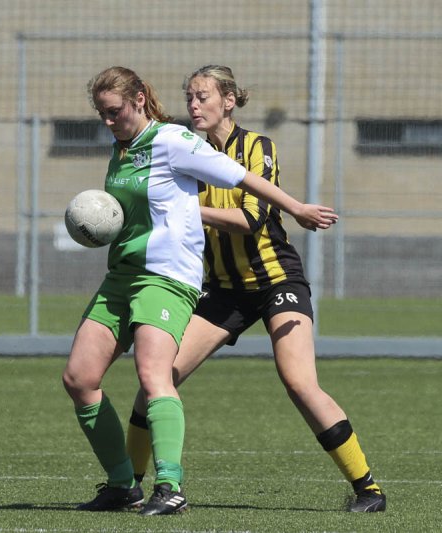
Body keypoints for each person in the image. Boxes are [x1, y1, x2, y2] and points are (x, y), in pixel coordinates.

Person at [62, 66, 338, 516]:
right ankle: (122, 485)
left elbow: (241, 177)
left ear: (138, 99)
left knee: (154, 376)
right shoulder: (121, 148)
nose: (108, 121)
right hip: (122, 276)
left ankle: (169, 486)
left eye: (114, 112)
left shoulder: (173, 140)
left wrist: (296, 208)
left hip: (166, 276)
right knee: (79, 378)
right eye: (101, 114)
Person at [124, 65, 386, 513]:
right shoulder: (187, 152)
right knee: (157, 378)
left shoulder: (257, 147)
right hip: (224, 290)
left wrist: (185, 209)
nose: (193, 105)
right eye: (189, 97)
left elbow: (251, 219)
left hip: (276, 280)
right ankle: (128, 485)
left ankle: (368, 489)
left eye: (203, 96)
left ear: (229, 100)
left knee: (299, 382)